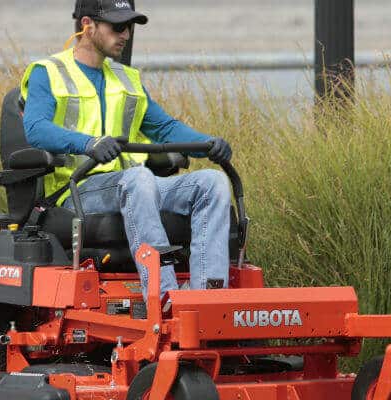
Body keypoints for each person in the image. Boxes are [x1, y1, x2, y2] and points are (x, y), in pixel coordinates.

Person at [20, 0, 233, 298]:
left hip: (132, 187)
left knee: (212, 182)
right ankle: (164, 297)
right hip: (76, 190)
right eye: (117, 26)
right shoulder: (48, 72)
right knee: (139, 179)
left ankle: (207, 296)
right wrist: (88, 143)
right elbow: (36, 127)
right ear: (87, 25)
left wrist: (208, 144)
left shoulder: (126, 79)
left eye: (129, 27)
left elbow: (166, 128)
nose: (126, 35)